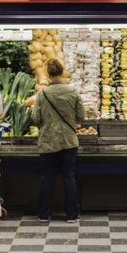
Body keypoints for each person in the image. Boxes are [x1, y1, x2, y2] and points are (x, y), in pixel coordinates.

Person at [30, 58, 86, 223]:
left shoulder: (42, 94)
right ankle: (72, 215)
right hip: (69, 140)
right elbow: (81, 116)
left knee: (46, 178)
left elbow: (35, 118)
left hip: (48, 141)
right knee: (69, 177)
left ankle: (44, 214)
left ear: (47, 74)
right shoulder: (72, 91)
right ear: (62, 73)